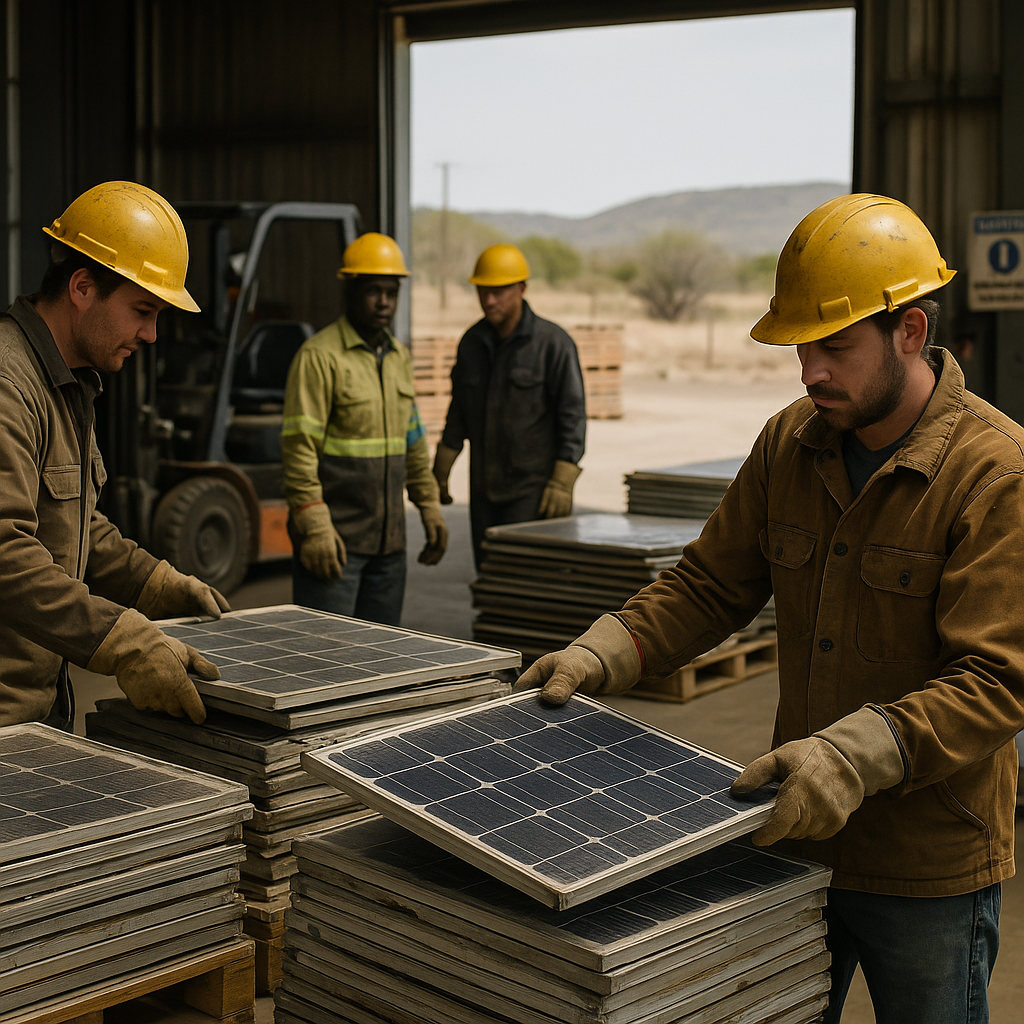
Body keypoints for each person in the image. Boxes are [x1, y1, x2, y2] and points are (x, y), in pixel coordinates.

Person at [517, 194, 1024, 1024]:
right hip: (799, 839)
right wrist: (602, 652)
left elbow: (998, 681)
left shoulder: (994, 474)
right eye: (800, 347)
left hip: (927, 863)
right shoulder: (791, 444)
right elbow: (709, 585)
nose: (810, 371)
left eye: (834, 345)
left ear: (911, 333)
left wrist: (851, 756)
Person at [0, 181, 230, 730]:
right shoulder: (9, 382)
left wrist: (153, 583)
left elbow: (73, 524)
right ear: (82, 286)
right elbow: (5, 551)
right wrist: (123, 641)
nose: (150, 334)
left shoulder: (70, 382)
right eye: (142, 311)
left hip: (38, 703)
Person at [281, 232, 447, 625]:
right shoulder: (319, 357)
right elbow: (299, 450)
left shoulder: (399, 359)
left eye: (391, 291)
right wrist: (315, 526)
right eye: (374, 290)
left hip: (389, 549)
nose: (384, 301)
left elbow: (414, 443)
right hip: (336, 544)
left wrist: (429, 506)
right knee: (324, 659)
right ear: (351, 291)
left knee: (381, 660)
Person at [431, 243, 586, 570]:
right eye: (483, 291)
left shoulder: (553, 345)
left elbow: (572, 416)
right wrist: (440, 470)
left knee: (527, 581)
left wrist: (562, 480)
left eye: (499, 291)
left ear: (522, 288)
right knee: (488, 577)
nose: (489, 300)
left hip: (532, 493)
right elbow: (459, 413)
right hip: (484, 491)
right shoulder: (471, 343)